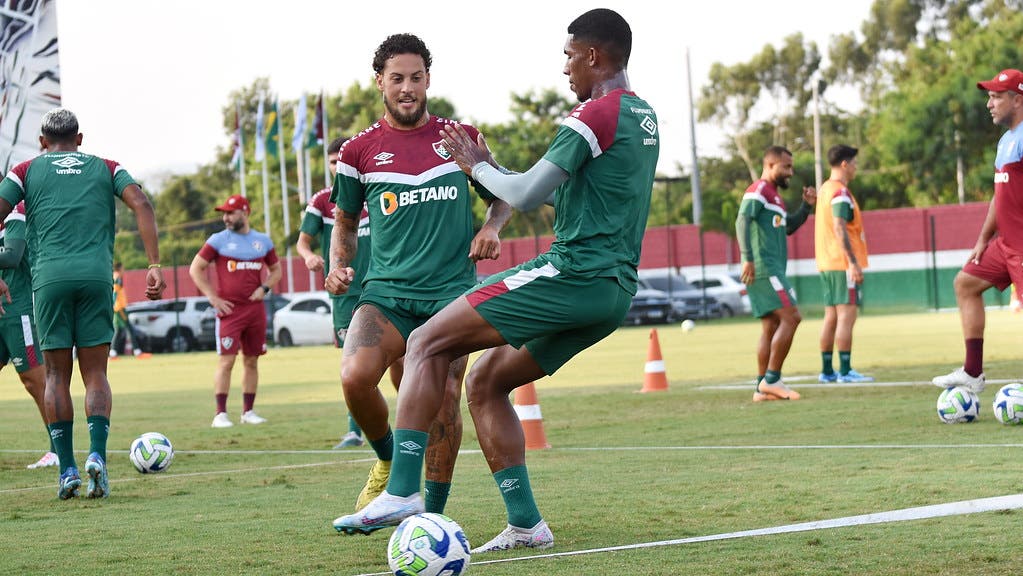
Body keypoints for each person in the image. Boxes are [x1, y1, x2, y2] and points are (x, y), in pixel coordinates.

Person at [333, 9, 656, 554]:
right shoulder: (642, 114)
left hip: (574, 273)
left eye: (570, 56)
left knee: (424, 342)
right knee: (486, 384)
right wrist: (493, 172)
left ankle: (405, 492)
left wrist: (477, 166)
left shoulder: (593, 113)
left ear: (594, 56)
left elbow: (526, 194)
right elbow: (564, 193)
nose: (566, 68)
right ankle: (526, 523)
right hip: (614, 291)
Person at [324, 33, 512, 521]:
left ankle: (429, 516)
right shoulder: (358, 151)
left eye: (416, 78)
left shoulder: (460, 137)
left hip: (450, 297)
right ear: (380, 82)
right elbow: (344, 221)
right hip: (387, 296)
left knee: (446, 400)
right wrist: (338, 264)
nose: (407, 88)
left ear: (428, 79)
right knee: (354, 377)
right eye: (397, 79)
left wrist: (492, 226)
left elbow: (505, 191)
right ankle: (389, 462)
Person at [0, 107, 165, 499]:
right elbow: (141, 203)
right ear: (79, 138)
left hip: (49, 280)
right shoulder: (106, 166)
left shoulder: (25, 171)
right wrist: (153, 265)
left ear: (43, 143)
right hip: (95, 277)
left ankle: (68, 470)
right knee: (96, 374)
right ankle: (98, 457)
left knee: (56, 376)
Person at [295, 136, 403, 449]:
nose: (336, 167)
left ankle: (409, 418)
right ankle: (356, 432)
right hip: (344, 292)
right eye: (332, 162)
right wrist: (310, 256)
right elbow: (303, 241)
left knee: (400, 359)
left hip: (384, 286)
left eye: (340, 161)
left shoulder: (379, 190)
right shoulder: (322, 200)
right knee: (353, 362)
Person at [933, 69, 1023, 393]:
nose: (990, 103)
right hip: (1005, 244)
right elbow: (1000, 195)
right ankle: (972, 373)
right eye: (989, 96)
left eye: (997, 96)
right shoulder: (1005, 141)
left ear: (1017, 98)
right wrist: (984, 238)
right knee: (965, 284)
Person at [189, 194, 282, 428]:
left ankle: (248, 411)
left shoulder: (263, 241)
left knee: (252, 361)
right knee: (226, 362)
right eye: (224, 213)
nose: (226, 217)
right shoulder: (218, 240)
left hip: (255, 311)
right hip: (229, 312)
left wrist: (264, 288)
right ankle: (220, 414)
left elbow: (276, 271)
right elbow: (196, 269)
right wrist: (213, 297)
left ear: (244, 212)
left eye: (230, 213)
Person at [736, 146, 816, 402]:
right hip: (763, 267)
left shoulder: (775, 198)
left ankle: (762, 387)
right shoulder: (759, 190)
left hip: (770, 268)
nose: (790, 172)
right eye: (786, 166)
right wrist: (747, 258)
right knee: (792, 317)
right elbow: (742, 220)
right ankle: (773, 379)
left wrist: (806, 207)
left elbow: (788, 227)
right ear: (770, 166)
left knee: (771, 325)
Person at [0, 201, 56, 469]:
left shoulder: (16, 213)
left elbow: (11, 257)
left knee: (35, 381)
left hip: (19, 311)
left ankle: (58, 449)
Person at [814, 145, 873, 383]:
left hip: (827, 262)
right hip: (841, 263)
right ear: (845, 164)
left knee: (831, 317)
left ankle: (828, 371)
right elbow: (839, 227)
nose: (857, 167)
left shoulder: (825, 189)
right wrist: (852, 262)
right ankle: (845, 371)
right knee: (846, 317)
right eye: (855, 163)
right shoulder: (840, 193)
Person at [110, 261, 149, 358]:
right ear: (119, 268)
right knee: (130, 329)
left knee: (118, 330)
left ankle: (113, 353)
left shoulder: (114, 276)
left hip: (118, 307)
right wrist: (113, 304)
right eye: (123, 268)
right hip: (120, 308)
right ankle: (137, 352)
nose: (124, 270)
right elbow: (115, 291)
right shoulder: (117, 277)